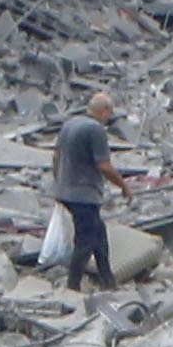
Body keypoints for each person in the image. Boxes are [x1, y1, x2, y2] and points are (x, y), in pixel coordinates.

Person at [52, 90, 123, 293]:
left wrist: (59, 182)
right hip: (84, 195)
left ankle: (107, 280)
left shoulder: (70, 124)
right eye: (110, 113)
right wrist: (124, 186)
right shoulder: (95, 130)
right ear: (104, 111)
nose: (109, 118)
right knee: (86, 240)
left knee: (98, 233)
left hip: (66, 191)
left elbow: (56, 156)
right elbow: (104, 166)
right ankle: (72, 287)